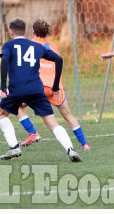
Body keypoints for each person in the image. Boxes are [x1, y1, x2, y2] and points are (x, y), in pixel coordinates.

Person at [0, 19, 82, 162]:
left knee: (1, 113)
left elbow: (4, 60)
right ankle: (70, 149)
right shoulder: (36, 46)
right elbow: (59, 60)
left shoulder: (8, 45)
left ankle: (14, 147)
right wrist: (55, 86)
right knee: (52, 122)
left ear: (11, 32)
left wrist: (3, 86)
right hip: (36, 90)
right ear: (25, 31)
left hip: (16, 90)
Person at [16, 19, 90, 150]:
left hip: (39, 87)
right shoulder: (54, 47)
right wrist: (56, 87)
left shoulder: (29, 45)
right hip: (55, 87)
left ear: (33, 32)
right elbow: (57, 65)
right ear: (46, 33)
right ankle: (84, 144)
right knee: (68, 115)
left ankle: (33, 132)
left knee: (15, 105)